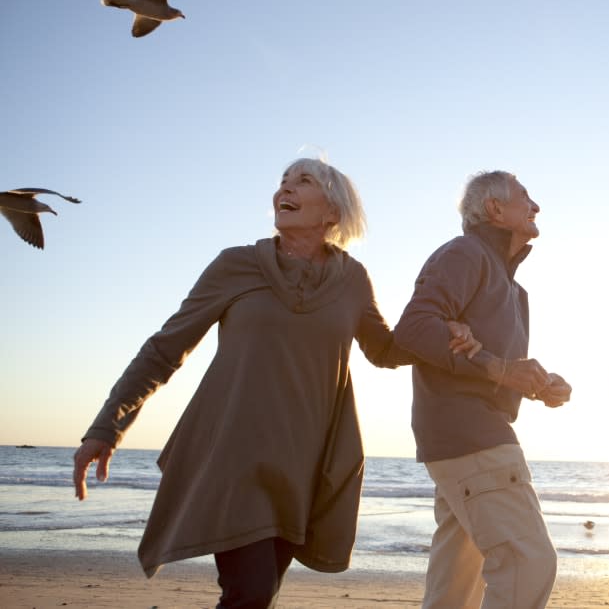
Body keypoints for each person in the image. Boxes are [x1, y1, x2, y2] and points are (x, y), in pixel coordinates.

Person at [72, 155, 481, 609]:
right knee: (251, 591)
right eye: (283, 182)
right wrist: (107, 426)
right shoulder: (235, 266)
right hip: (233, 454)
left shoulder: (353, 280)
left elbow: (385, 350)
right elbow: (164, 349)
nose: (284, 190)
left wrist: (445, 329)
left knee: (257, 594)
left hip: (305, 466)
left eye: (302, 181)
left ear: (332, 212)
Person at [394, 170, 572, 609]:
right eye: (525, 197)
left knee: (455, 589)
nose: (536, 206)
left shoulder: (515, 290)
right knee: (527, 562)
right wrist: (501, 370)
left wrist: (537, 384)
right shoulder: (465, 253)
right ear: (495, 209)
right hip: (471, 436)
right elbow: (413, 329)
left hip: (463, 443)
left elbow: (496, 368)